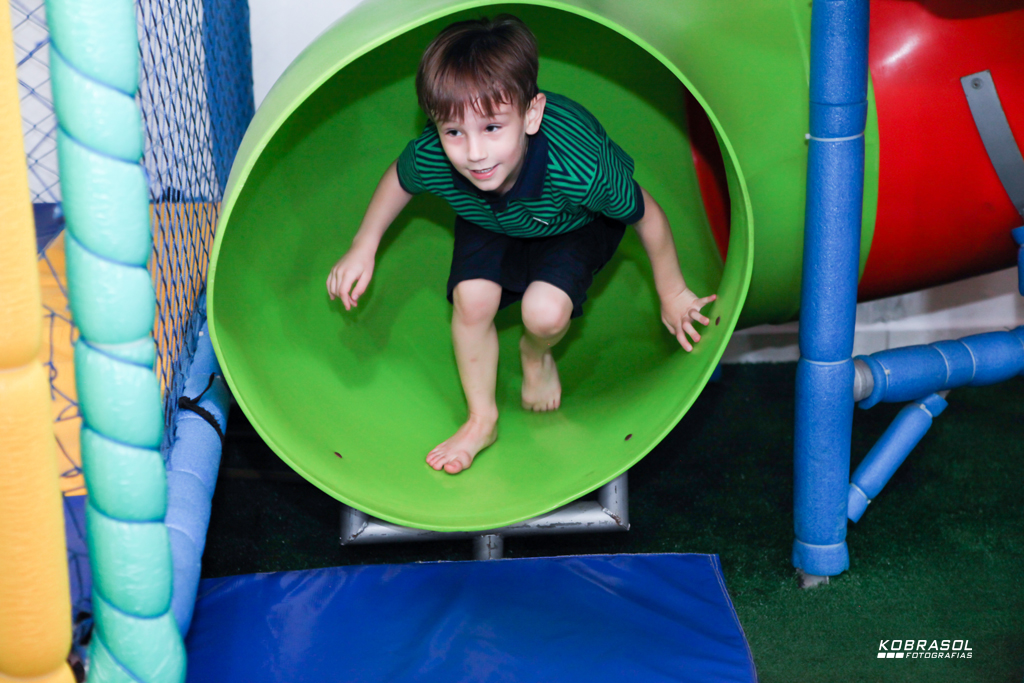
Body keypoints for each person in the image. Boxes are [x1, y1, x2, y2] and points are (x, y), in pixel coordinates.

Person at [326, 15, 716, 475]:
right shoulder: (441, 158)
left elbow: (647, 215)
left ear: (531, 115)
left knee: (544, 312)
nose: (474, 153)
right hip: (488, 215)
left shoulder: (581, 169)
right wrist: (364, 244)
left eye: (492, 128)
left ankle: (535, 353)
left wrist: (672, 292)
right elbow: (399, 179)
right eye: (454, 132)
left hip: (572, 222)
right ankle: (481, 420)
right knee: (472, 300)